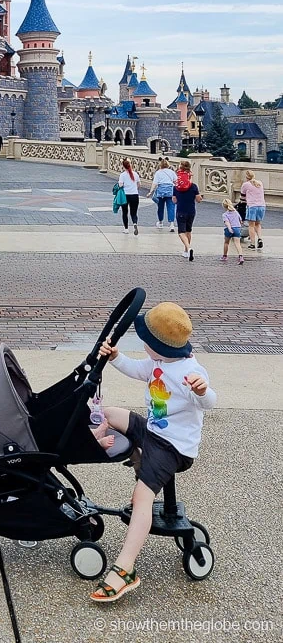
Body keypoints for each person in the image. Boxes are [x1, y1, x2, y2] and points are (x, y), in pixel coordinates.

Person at [90, 303, 216, 603]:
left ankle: (125, 570)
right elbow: (136, 369)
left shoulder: (190, 371)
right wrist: (116, 357)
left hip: (173, 448)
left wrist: (201, 391)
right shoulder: (157, 360)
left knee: (142, 498)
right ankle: (129, 450)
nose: (142, 344)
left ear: (157, 345)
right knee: (108, 413)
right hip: (153, 431)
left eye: (145, 339)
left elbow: (209, 402)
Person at [173, 161, 202, 261]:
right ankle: (186, 251)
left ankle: (188, 248)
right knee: (188, 231)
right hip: (191, 211)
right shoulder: (193, 186)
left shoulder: (176, 186)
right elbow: (198, 200)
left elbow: (174, 200)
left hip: (181, 210)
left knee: (181, 232)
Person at [240, 170, 265, 251]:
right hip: (261, 206)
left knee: (251, 225)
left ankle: (252, 243)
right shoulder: (260, 183)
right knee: (258, 224)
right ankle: (260, 238)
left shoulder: (246, 184)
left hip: (252, 206)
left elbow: (242, 198)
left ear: (246, 177)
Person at [150, 158, 177, 231]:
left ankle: (161, 222)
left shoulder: (158, 172)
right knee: (171, 208)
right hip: (170, 191)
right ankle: (171, 224)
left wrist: (150, 191)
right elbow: (175, 182)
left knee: (160, 207)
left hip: (161, 192)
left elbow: (155, 183)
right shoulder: (171, 172)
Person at [118, 158, 140, 235]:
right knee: (134, 212)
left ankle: (126, 228)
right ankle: (134, 223)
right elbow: (139, 184)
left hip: (125, 195)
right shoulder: (135, 174)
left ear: (123, 166)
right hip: (134, 195)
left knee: (125, 212)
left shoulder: (122, 175)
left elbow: (120, 185)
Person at [222, 199, 244, 265]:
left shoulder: (225, 214)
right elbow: (241, 221)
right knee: (237, 243)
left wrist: (229, 229)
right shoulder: (236, 212)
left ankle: (225, 256)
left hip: (229, 229)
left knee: (226, 243)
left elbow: (227, 222)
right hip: (237, 228)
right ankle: (240, 256)